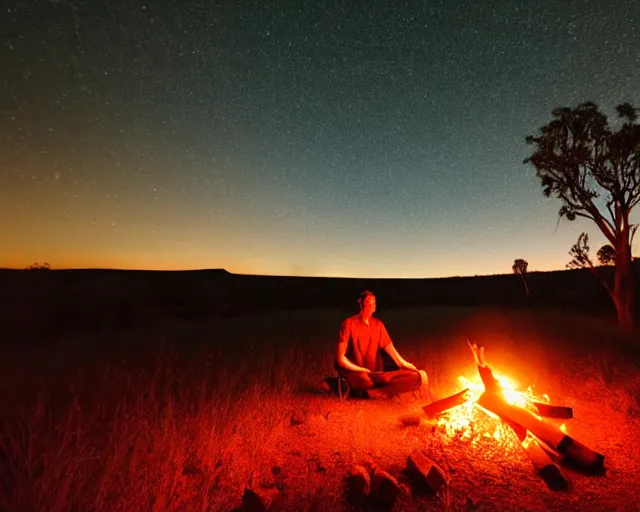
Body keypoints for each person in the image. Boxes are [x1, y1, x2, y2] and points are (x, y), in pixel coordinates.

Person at [335, 290, 428, 399]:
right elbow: (340, 359)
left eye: (373, 303)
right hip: (355, 373)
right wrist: (360, 370)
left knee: (419, 376)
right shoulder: (348, 324)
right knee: (366, 381)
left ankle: (371, 393)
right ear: (360, 304)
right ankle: (349, 386)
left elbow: (395, 356)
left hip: (375, 374)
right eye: (368, 302)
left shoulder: (378, 325)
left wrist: (407, 365)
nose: (371, 306)